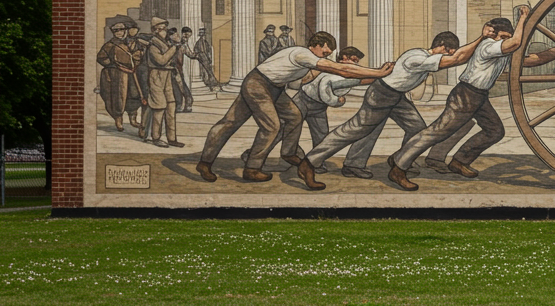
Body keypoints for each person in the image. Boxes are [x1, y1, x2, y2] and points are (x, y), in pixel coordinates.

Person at [385, 7, 555, 191]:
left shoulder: (502, 51)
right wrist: (523, 19)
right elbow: (514, 44)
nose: (505, 41)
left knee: (495, 131)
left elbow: (535, 59)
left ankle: (459, 161)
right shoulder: (488, 46)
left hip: (479, 97)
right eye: (502, 37)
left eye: (507, 38)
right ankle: (398, 167)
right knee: (436, 132)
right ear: (494, 35)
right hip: (465, 95)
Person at [196, 31, 393, 183]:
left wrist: (369, 75)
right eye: (325, 52)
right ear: (315, 45)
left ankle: (288, 152)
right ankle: (249, 168)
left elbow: (303, 80)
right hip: (258, 84)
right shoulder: (302, 54)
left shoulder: (306, 62)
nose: (326, 56)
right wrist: (378, 73)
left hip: (274, 88)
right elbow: (341, 69)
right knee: (268, 126)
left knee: (293, 115)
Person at [297, 32, 480, 189]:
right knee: (354, 130)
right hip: (382, 94)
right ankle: (309, 162)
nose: (448, 55)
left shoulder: (422, 57)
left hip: (397, 97)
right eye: (448, 51)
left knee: (417, 128)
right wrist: (481, 39)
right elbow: (456, 60)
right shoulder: (416, 57)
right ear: (441, 46)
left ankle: (397, 161)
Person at [145, 17, 183, 148]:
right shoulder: (153, 46)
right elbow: (161, 60)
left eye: (164, 28)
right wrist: (174, 48)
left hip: (167, 75)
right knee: (159, 107)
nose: (164, 31)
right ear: (155, 31)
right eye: (161, 29)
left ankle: (172, 138)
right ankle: (155, 137)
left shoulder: (166, 44)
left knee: (171, 107)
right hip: (156, 76)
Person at [95, 22, 134, 131]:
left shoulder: (130, 43)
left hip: (131, 73)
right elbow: (101, 57)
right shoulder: (110, 44)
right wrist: (113, 65)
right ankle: (118, 119)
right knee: (118, 97)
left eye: (121, 30)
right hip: (116, 74)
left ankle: (133, 119)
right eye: (116, 31)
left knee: (132, 95)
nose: (119, 33)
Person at [124, 22, 148, 130]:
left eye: (135, 29)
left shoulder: (140, 41)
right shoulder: (124, 42)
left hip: (140, 70)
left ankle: (142, 121)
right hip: (128, 71)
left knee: (142, 94)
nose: (133, 31)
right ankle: (132, 118)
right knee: (132, 94)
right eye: (131, 29)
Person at [169, 27, 194, 113]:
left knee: (181, 87)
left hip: (177, 70)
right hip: (172, 70)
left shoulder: (181, 46)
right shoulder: (170, 45)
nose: (178, 36)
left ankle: (186, 104)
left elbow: (190, 54)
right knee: (177, 88)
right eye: (175, 35)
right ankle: (180, 106)